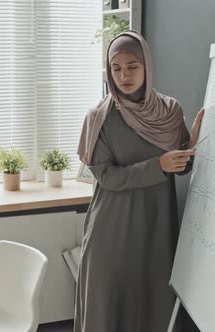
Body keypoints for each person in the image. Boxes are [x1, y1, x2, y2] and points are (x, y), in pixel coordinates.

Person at [75, 30, 204, 332]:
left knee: (154, 303)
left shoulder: (170, 111)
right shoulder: (99, 118)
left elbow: (180, 166)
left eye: (132, 66)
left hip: (157, 226)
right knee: (110, 309)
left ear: (147, 65)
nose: (124, 75)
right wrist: (157, 166)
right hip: (113, 229)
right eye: (116, 68)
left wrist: (195, 143)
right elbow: (106, 176)